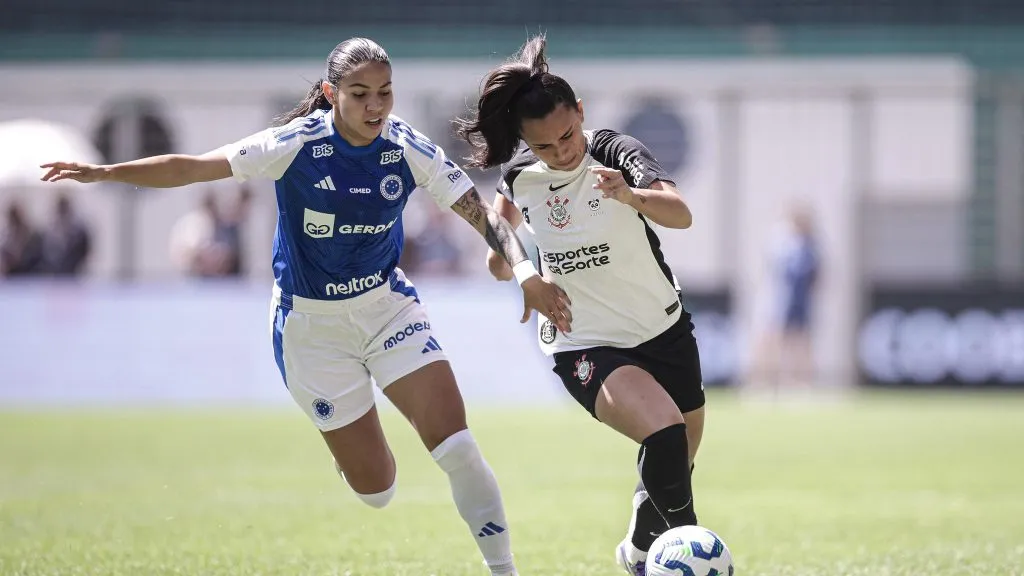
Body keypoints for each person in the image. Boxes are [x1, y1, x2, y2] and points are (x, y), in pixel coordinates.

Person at [40, 37, 573, 576]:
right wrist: (106, 173)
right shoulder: (294, 144)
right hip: (310, 330)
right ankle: (352, 457)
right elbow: (193, 168)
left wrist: (525, 274)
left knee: (457, 446)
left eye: (385, 93)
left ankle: (504, 570)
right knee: (377, 490)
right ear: (330, 93)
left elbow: (483, 214)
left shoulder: (405, 147)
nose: (375, 106)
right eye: (360, 93)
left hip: (387, 308)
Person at [457, 34, 703, 576]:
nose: (562, 151)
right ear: (526, 143)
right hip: (584, 340)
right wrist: (520, 273)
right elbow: (499, 235)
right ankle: (690, 549)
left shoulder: (616, 151)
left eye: (568, 135)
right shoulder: (521, 175)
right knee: (664, 432)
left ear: (581, 115)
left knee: (675, 455)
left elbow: (680, 214)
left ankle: (639, 552)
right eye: (545, 146)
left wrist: (631, 196)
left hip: (662, 327)